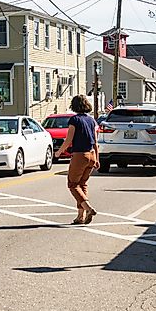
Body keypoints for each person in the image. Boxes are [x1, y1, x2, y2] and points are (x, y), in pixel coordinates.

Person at [55, 95, 99, 224]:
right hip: (91, 154)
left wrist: (58, 152)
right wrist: (97, 158)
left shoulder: (74, 120)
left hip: (80, 155)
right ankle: (81, 216)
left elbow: (68, 140)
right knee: (82, 184)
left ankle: (88, 208)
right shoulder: (91, 120)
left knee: (73, 184)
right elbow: (95, 141)